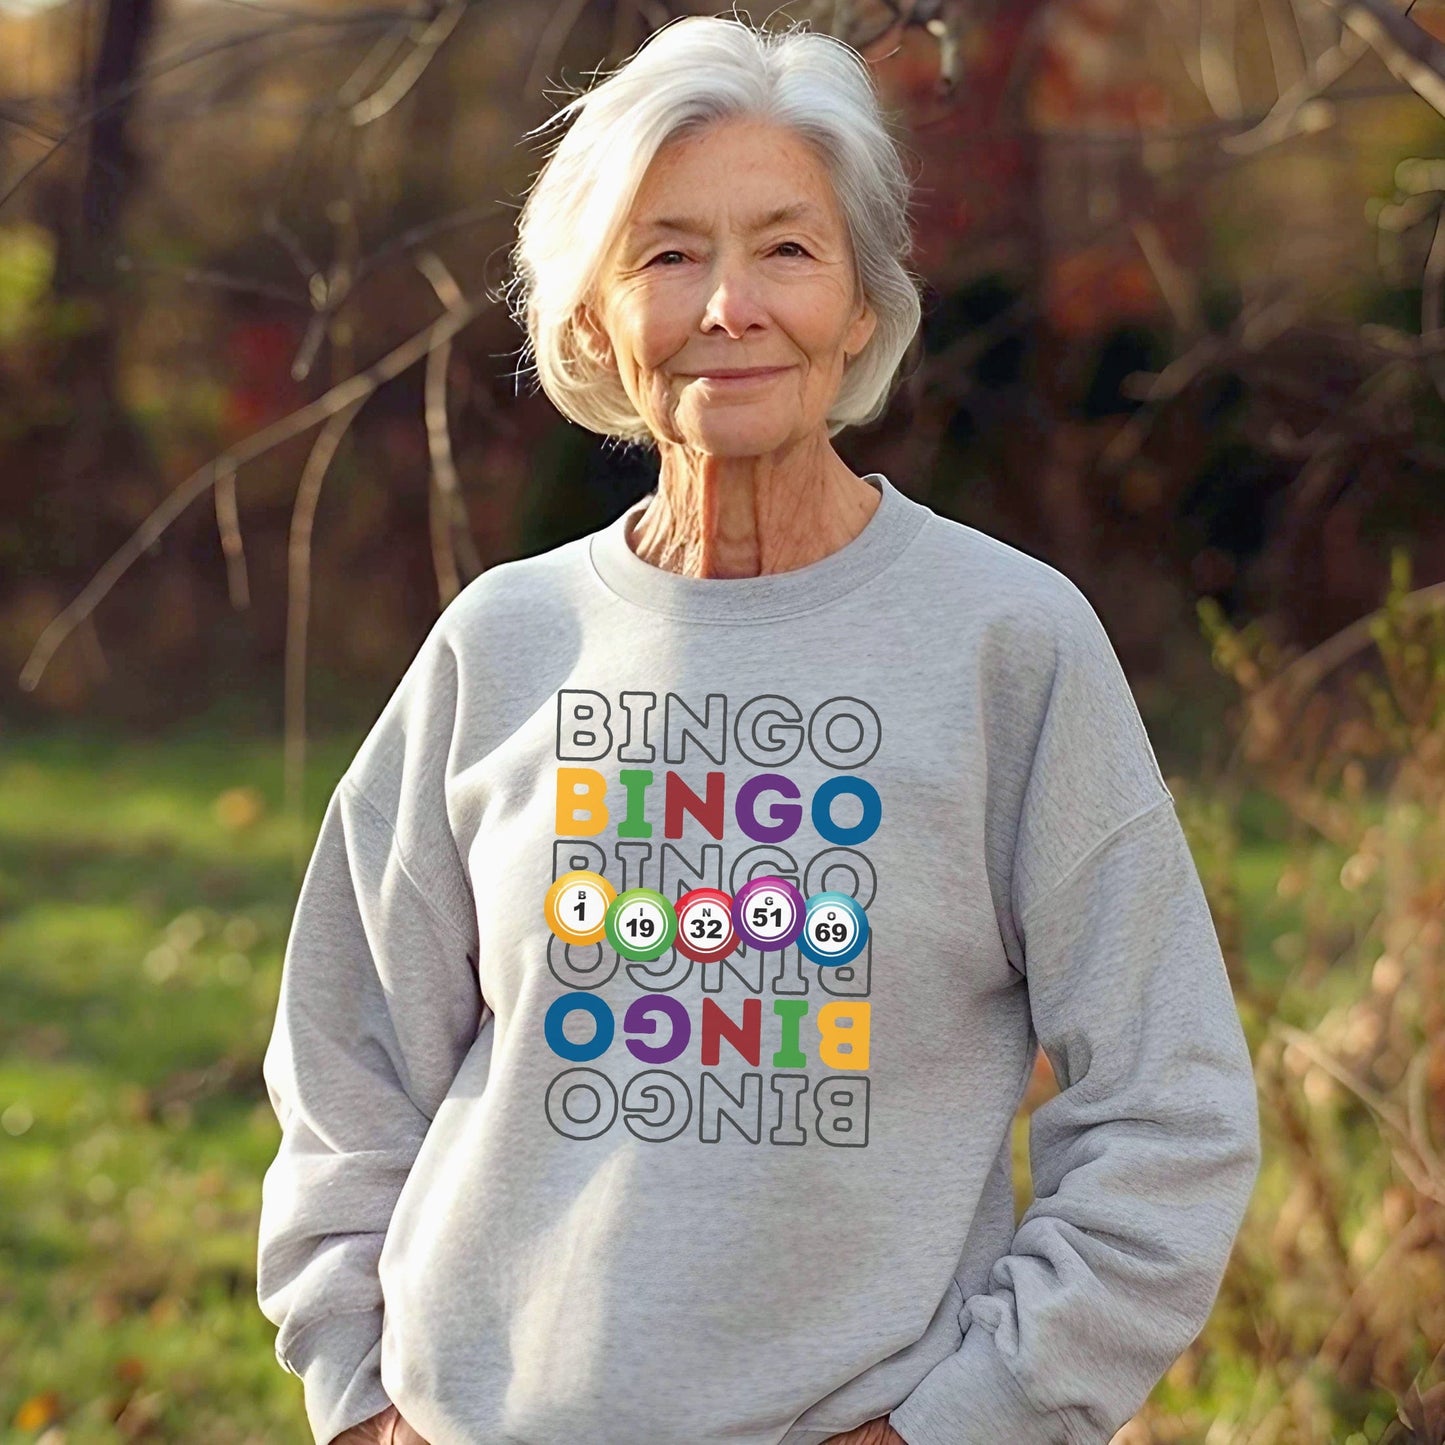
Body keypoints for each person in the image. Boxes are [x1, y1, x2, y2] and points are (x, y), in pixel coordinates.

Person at [255, 14, 1263, 1445]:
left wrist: (965, 1421)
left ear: (861, 305)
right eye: (667, 253)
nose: (729, 304)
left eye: (785, 248)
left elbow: (1171, 1113)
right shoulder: (501, 643)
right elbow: (344, 1066)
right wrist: (361, 1400)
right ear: (596, 316)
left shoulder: (1006, 644)